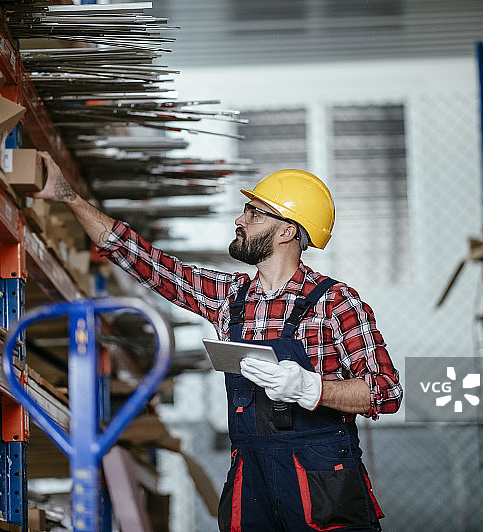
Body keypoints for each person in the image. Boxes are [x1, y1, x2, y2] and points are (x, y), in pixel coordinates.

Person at [35, 152, 402, 531]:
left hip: (322, 478)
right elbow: (145, 261)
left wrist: (312, 388)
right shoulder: (230, 299)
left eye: (255, 213)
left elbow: (386, 392)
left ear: (286, 231)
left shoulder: (336, 302)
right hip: (252, 470)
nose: (240, 220)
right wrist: (68, 196)